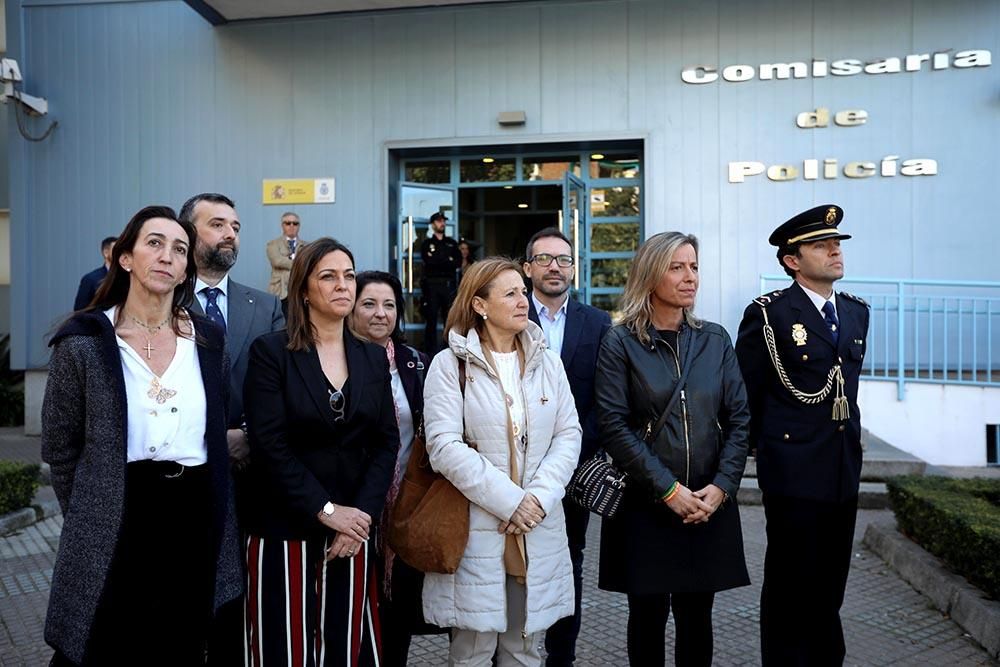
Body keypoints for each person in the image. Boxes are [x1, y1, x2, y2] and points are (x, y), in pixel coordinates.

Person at [41, 205, 241, 665]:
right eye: (154, 243)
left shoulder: (209, 341)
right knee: (109, 645)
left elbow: (215, 429)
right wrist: (94, 509)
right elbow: (60, 448)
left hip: (195, 514)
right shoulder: (85, 341)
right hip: (119, 513)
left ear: (188, 267)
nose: (167, 256)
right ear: (124, 258)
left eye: (179, 249)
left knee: (183, 644)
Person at [594, 232, 751, 667]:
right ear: (650, 274)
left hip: (706, 501)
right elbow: (613, 426)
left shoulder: (715, 340)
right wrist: (668, 490)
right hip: (646, 503)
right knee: (646, 617)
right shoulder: (620, 342)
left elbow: (740, 419)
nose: (690, 277)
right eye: (677, 267)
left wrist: (721, 487)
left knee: (697, 617)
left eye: (694, 266)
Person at [242, 238, 400, 666]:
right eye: (328, 276)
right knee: (283, 649)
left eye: (348, 275)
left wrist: (358, 518)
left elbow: (386, 442)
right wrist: (328, 512)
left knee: (346, 649)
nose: (342, 285)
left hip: (352, 533)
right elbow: (269, 446)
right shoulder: (271, 353)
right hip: (284, 529)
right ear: (303, 288)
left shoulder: (370, 358)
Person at [421, 257, 582, 666]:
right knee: (472, 649)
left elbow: (569, 434)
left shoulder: (549, 361)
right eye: (510, 293)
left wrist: (538, 500)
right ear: (479, 304)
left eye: (522, 291)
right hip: (477, 526)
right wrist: (511, 501)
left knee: (525, 648)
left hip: (536, 526)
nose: (523, 300)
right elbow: (443, 446)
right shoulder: (448, 364)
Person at [735, 204, 870, 667]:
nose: (835, 250)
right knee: (792, 583)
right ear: (792, 260)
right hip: (793, 470)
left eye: (836, 243)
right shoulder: (769, 315)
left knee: (832, 581)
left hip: (841, 467)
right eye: (821, 244)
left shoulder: (855, 313)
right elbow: (747, 394)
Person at [179, 192, 285, 665]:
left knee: (237, 602)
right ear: (188, 234)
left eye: (236, 226)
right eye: (217, 224)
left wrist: (248, 437)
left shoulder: (265, 306)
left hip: (249, 473)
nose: (230, 234)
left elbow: (281, 387)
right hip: (181, 477)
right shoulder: (164, 300)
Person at [522, 227, 611, 667]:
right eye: (544, 259)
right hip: (514, 469)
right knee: (511, 560)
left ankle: (562, 657)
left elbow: (606, 398)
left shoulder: (598, 323)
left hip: (573, 469)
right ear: (527, 268)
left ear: (574, 268)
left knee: (567, 563)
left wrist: (573, 453)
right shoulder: (509, 316)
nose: (555, 266)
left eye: (563, 259)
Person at [349, 270, 445, 666]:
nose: (380, 314)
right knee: (353, 616)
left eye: (389, 305)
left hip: (403, 512)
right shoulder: (335, 360)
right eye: (369, 303)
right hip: (351, 509)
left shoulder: (415, 363)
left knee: (397, 617)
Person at [419, 211, 461, 354]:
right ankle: (430, 353)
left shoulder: (451, 243)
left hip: (448, 285)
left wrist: (438, 259)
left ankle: (449, 350)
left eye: (443, 221)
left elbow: (457, 262)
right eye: (439, 221)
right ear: (432, 224)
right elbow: (428, 262)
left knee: (449, 319)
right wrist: (446, 260)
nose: (442, 223)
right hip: (432, 286)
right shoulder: (427, 243)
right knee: (431, 320)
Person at [266, 211, 307, 315]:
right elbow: (277, 261)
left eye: (295, 223)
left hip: (299, 289)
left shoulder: (306, 246)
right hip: (280, 291)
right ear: (282, 225)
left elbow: (308, 263)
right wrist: (299, 263)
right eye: (288, 223)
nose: (291, 226)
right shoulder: (273, 244)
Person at [72, 236, 117, 310]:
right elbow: (80, 311)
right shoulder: (91, 279)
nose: (120, 253)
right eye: (116, 250)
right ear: (106, 253)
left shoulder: (128, 277)